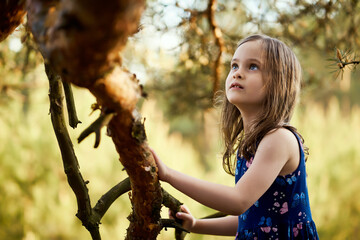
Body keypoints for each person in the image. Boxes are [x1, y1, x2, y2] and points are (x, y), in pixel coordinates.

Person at [151, 34, 319, 239]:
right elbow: (250, 219)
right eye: (234, 66)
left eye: (253, 66)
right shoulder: (251, 145)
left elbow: (237, 201)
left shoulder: (279, 139)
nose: (238, 73)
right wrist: (196, 225)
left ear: (278, 82)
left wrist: (168, 174)